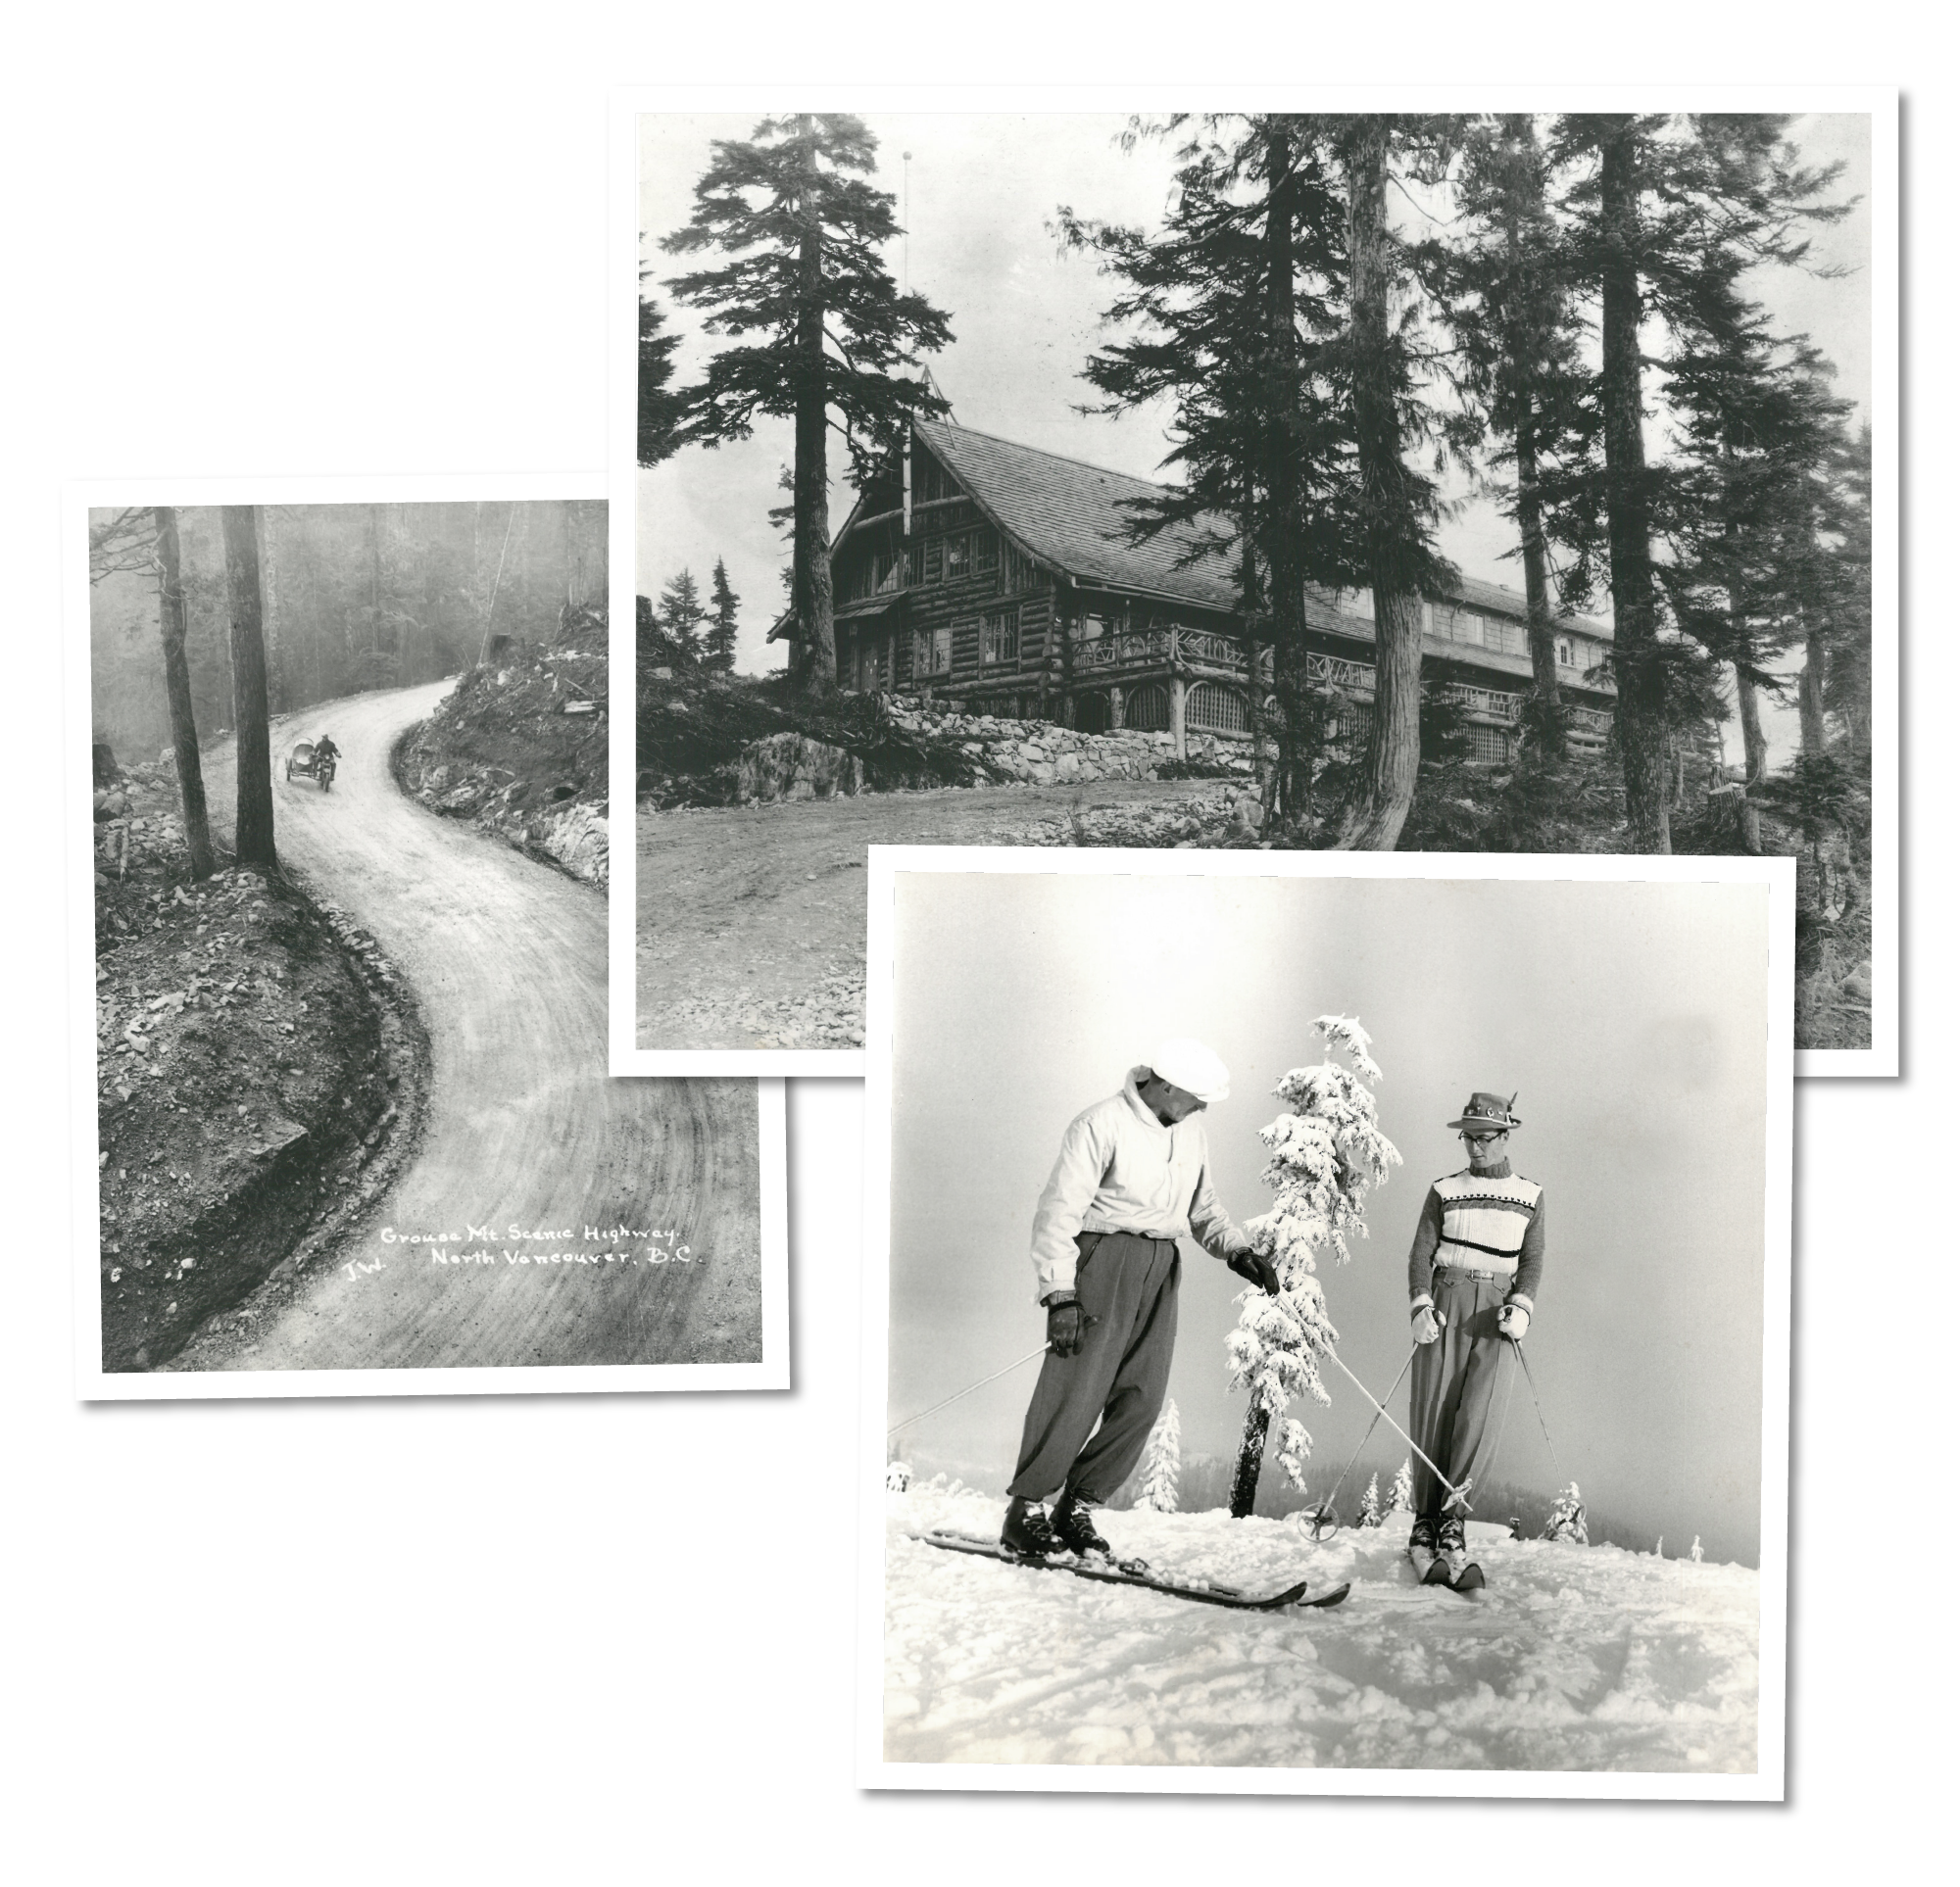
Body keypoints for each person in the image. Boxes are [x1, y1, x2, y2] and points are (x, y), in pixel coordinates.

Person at [999, 1039, 1280, 1559]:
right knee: (1076, 1389)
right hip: (1103, 1257)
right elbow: (1058, 1213)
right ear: (1166, 1083)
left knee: (1142, 1395)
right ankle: (1026, 1509)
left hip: (1161, 1265)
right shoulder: (1099, 1124)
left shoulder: (1190, 1132)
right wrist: (1061, 1296)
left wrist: (1238, 1251)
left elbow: (1204, 1207)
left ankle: (1076, 1506)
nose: (1202, 1108)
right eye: (1197, 1098)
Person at [1403, 1091, 1544, 1582]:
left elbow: (1531, 1261)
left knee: (1477, 1416)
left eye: (1484, 1138)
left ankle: (1452, 1523)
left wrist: (1523, 1307)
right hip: (1447, 1300)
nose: (1474, 1147)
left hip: (1496, 1311)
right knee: (1434, 1409)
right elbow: (1421, 1251)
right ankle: (1424, 1521)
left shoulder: (1530, 1195)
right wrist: (1421, 1302)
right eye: (1468, 1137)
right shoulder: (1445, 1189)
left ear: (1506, 1136)